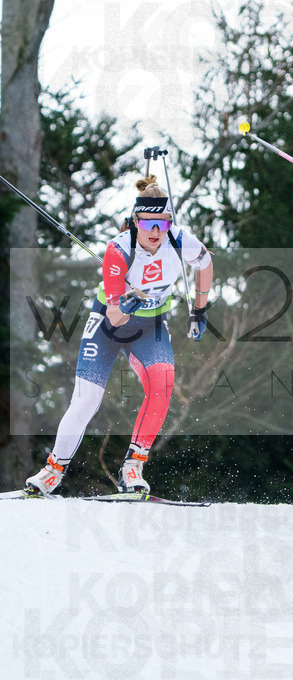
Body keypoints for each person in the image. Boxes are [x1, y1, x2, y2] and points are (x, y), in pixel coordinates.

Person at [24, 175, 213, 496]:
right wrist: (128, 299)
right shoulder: (117, 250)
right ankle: (52, 472)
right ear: (135, 221)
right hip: (107, 327)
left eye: (163, 224)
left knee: (163, 382)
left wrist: (199, 308)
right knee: (87, 401)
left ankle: (132, 468)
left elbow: (206, 265)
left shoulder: (180, 240)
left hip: (150, 327)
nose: (156, 233)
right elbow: (113, 315)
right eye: (149, 224)